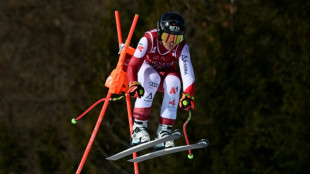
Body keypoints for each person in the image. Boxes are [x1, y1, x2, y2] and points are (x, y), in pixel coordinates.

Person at [126, 12, 195, 149]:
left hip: (166, 71)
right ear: (160, 32)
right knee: (153, 77)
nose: (171, 42)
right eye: (167, 36)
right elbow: (133, 65)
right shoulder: (149, 39)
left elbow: (187, 73)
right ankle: (139, 128)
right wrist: (133, 83)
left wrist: (188, 95)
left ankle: (164, 131)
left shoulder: (181, 47)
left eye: (176, 38)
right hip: (146, 69)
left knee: (174, 82)